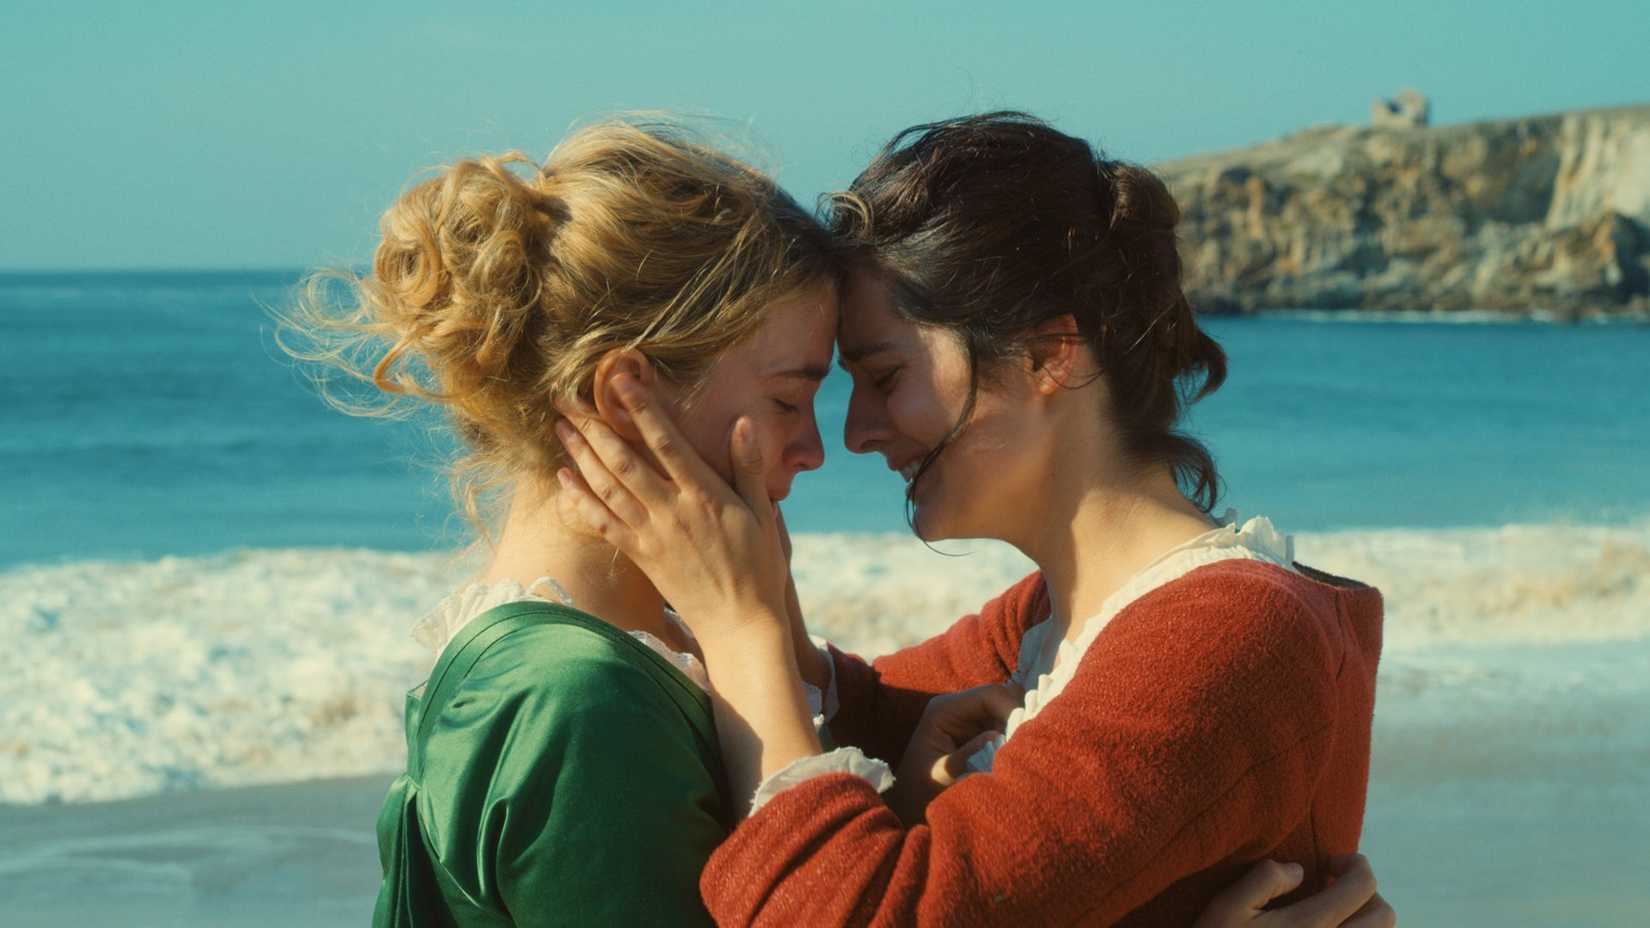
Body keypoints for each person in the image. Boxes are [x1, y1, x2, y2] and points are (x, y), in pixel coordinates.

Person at [553, 112, 1387, 926]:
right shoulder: (1044, 624)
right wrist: (754, 587)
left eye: (883, 377)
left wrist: (739, 626)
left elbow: (859, 912)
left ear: (1045, 355)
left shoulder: (1226, 635)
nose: (857, 433)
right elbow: (864, 717)